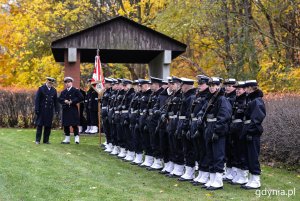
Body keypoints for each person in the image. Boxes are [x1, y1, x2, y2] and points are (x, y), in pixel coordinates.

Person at [199, 77, 232, 190]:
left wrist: (217, 131)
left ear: (218, 86)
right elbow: (203, 111)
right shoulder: (211, 99)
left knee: (218, 155)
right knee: (210, 155)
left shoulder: (222, 99)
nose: (212, 88)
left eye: (214, 85)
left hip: (217, 129)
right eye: (210, 85)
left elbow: (224, 116)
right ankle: (212, 179)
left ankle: (218, 181)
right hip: (209, 128)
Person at [241, 80, 266, 190]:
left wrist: (250, 131)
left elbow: (257, 119)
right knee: (248, 156)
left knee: (253, 156)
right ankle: (251, 179)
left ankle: (256, 181)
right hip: (248, 130)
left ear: (251, 88)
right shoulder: (251, 99)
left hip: (253, 132)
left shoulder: (257, 101)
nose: (245, 89)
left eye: (246, 87)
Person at [59, 77, 84, 144]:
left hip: (73, 109)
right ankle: (67, 139)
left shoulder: (75, 90)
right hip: (66, 109)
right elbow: (59, 99)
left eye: (68, 82)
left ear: (71, 82)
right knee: (66, 125)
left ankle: (76, 138)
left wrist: (72, 101)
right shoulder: (63, 92)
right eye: (66, 82)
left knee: (74, 124)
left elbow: (81, 97)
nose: (67, 84)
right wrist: (64, 101)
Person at [34, 77, 59, 144]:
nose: (50, 84)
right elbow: (37, 100)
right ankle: (37, 140)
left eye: (51, 83)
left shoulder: (54, 90)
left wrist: (57, 110)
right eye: (49, 82)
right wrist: (36, 109)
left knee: (48, 126)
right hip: (42, 110)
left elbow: (55, 101)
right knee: (40, 125)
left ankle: (46, 140)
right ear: (46, 81)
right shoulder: (41, 88)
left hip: (49, 110)